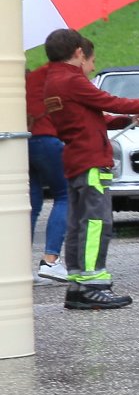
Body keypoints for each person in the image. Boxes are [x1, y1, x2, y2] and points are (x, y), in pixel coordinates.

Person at [39, 29, 139, 310]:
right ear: (79, 52)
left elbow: (90, 117)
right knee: (96, 223)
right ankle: (92, 285)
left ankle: (78, 285)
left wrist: (128, 119)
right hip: (91, 161)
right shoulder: (71, 79)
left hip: (76, 160)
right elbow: (108, 101)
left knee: (78, 224)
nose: (91, 67)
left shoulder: (52, 82)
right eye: (91, 61)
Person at [25, 65, 71, 282]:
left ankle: (20, 265)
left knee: (31, 205)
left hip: (22, 141)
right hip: (46, 139)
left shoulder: (18, 86)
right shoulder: (50, 73)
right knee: (65, 195)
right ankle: (50, 260)